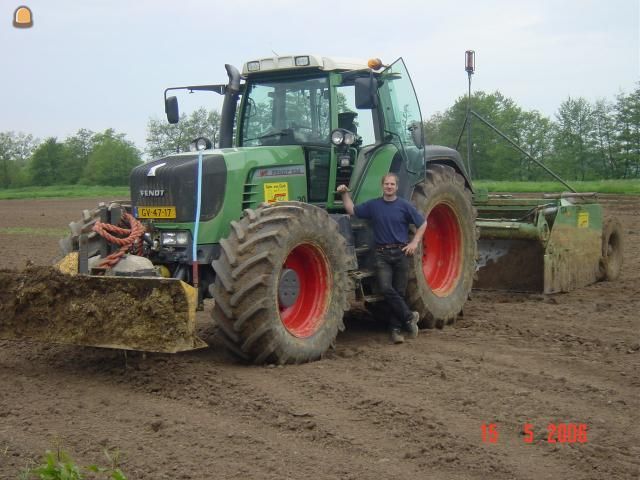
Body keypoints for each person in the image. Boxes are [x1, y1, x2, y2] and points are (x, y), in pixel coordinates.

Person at [337, 173, 427, 344]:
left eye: (392, 184)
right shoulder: (374, 205)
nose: (389, 187)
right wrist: (344, 194)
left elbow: (423, 223)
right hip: (382, 255)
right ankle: (408, 316)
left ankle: (395, 330)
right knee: (386, 288)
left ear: (396, 187)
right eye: (386, 184)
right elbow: (352, 210)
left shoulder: (404, 206)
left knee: (399, 292)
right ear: (382, 186)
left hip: (401, 253)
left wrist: (414, 242)